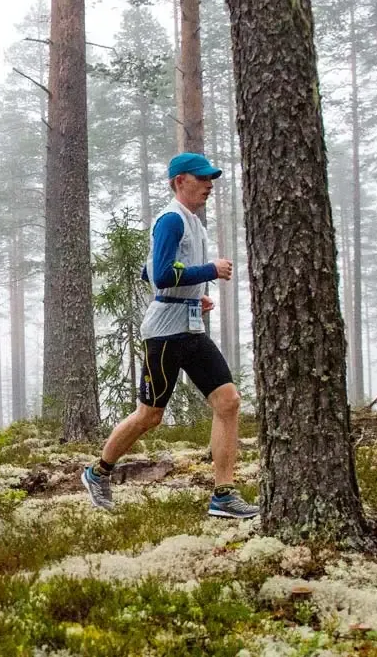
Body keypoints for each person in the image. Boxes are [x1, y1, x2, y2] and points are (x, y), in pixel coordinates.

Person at [82, 153, 259, 519]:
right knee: (150, 416)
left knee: (228, 402)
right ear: (180, 181)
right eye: (202, 178)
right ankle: (98, 472)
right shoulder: (170, 219)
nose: (209, 184)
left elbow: (151, 274)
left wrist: (195, 294)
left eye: (211, 178)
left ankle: (223, 495)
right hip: (164, 334)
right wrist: (208, 270)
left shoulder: (193, 223)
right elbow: (161, 274)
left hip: (190, 327)